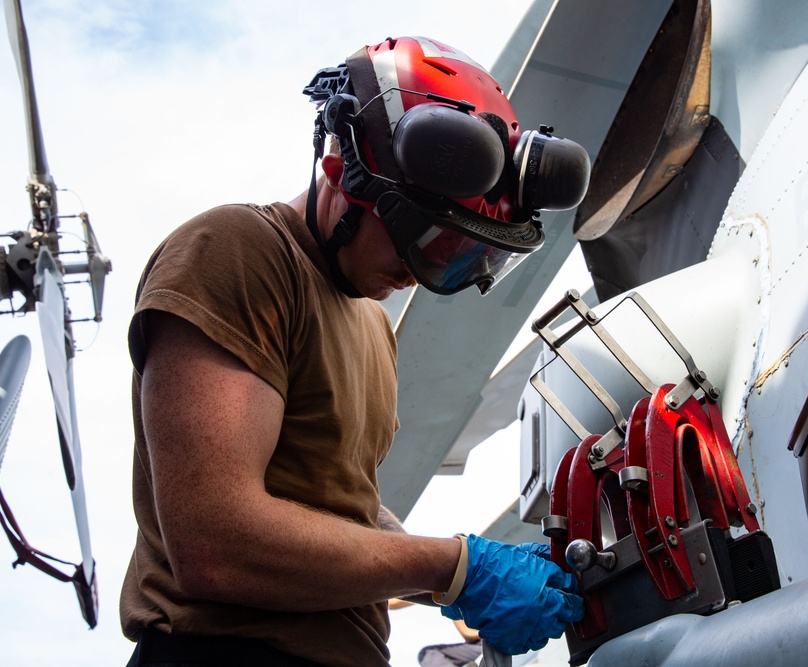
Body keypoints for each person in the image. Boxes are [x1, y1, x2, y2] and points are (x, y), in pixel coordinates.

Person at [120, 35, 591, 667]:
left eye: (458, 260)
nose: (419, 274)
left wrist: (457, 580)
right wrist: (455, 566)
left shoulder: (370, 322)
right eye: (419, 241)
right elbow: (216, 544)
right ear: (343, 174)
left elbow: (341, 507)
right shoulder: (236, 252)